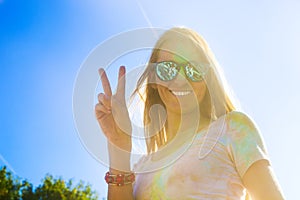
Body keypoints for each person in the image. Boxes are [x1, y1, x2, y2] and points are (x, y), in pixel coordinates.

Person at [95, 27, 285, 199]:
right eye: (167, 69)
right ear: (153, 78)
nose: (180, 79)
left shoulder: (232, 128)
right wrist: (118, 147)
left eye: (193, 69)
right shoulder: (141, 169)